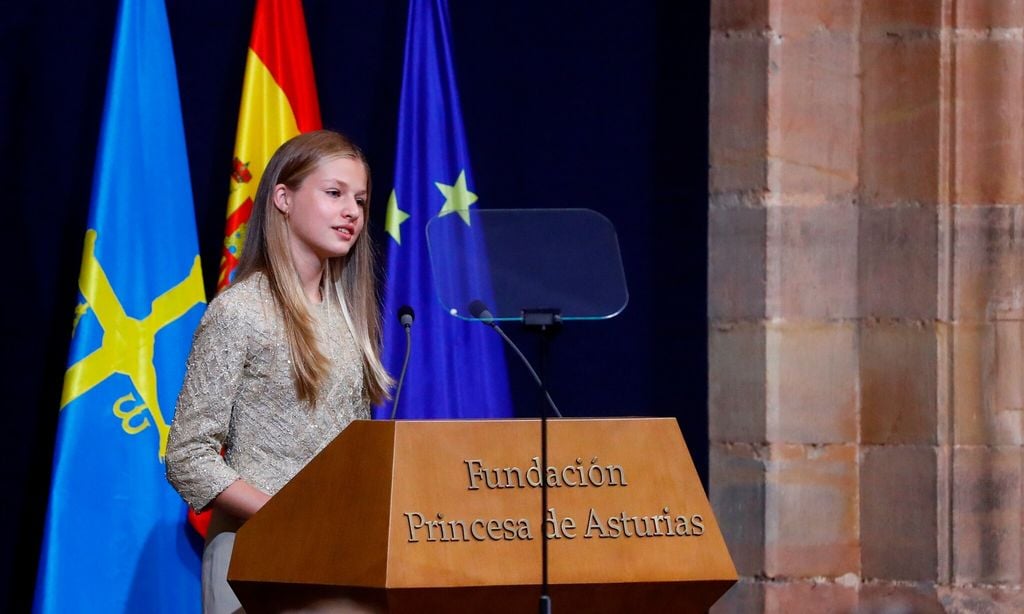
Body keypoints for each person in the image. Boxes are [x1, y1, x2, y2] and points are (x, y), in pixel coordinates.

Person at [165, 130, 392, 614]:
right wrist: (285, 515)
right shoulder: (241, 311)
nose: (352, 211)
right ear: (283, 198)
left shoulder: (348, 316)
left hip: (341, 555)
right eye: (334, 193)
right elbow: (187, 456)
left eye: (360, 199)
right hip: (257, 557)